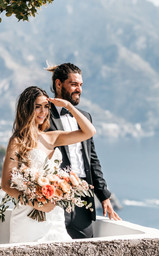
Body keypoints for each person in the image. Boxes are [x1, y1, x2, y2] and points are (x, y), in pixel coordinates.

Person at [1, 86, 96, 243]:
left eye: (46, 107)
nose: (43, 112)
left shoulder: (52, 137)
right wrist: (37, 204)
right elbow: (6, 185)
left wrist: (68, 106)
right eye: (37, 107)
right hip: (28, 217)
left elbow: (89, 131)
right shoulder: (17, 141)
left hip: (54, 216)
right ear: (26, 109)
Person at [45, 63, 121, 239]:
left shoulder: (85, 117)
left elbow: (92, 159)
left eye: (80, 85)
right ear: (58, 84)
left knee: (86, 246)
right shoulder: (43, 116)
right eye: (73, 84)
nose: (78, 89)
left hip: (83, 198)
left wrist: (104, 196)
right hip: (55, 197)